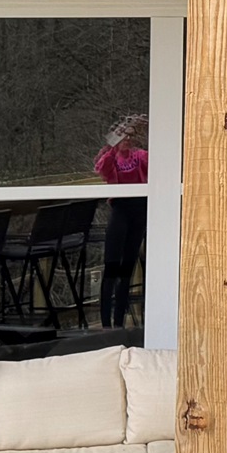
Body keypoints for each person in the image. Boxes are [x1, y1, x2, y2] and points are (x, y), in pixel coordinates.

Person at [94, 114, 148, 327]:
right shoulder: (111, 157)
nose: (126, 140)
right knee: (112, 265)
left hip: (139, 209)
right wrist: (112, 144)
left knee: (128, 266)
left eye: (129, 136)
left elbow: (155, 162)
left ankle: (119, 322)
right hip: (120, 209)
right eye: (122, 137)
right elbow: (101, 168)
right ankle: (106, 322)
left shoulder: (140, 156)